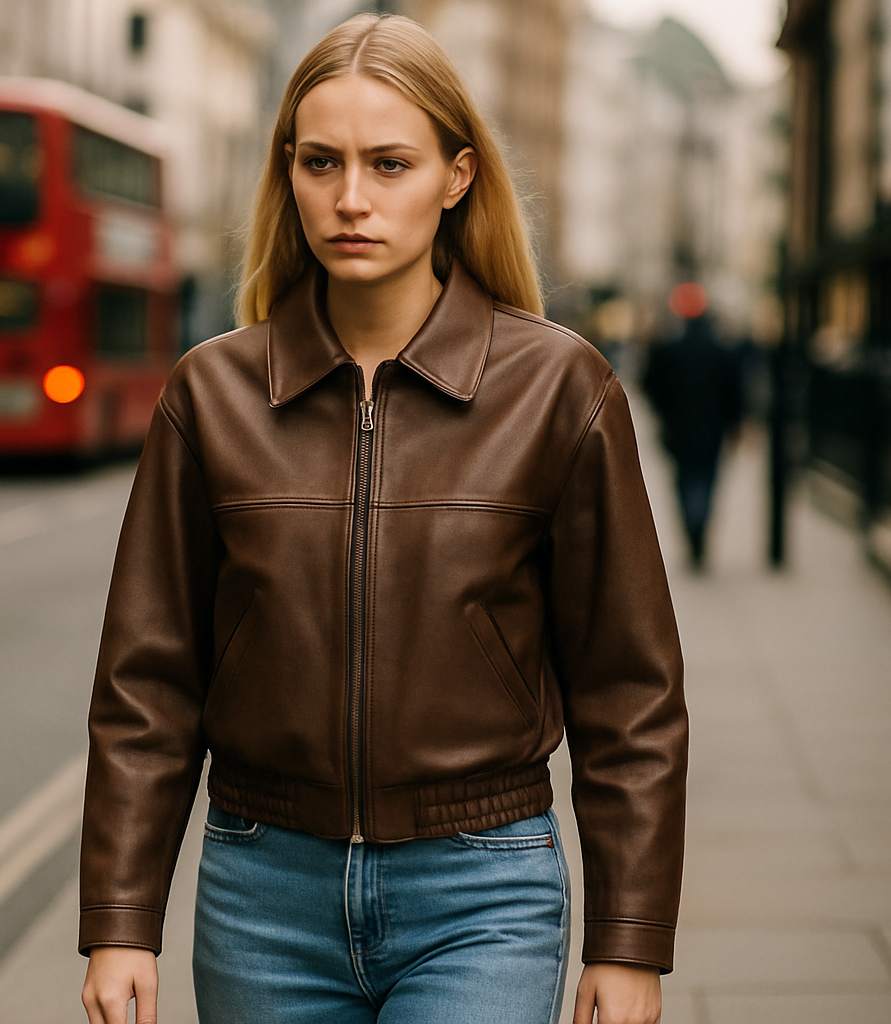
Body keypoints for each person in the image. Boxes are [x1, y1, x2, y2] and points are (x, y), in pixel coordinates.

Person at [79, 14, 687, 1024]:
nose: (350, 198)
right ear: (289, 173)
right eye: (321, 163)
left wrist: (629, 940)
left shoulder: (556, 388)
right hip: (260, 893)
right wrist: (119, 918)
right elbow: (147, 684)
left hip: (482, 890)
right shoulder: (212, 394)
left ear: (456, 177)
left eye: (389, 163)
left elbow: (631, 691)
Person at [643, 285, 743, 569]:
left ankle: (692, 525)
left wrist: (662, 413)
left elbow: (651, 386)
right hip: (712, 429)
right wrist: (735, 423)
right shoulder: (721, 350)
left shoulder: (666, 349)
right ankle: (699, 524)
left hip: (677, 429)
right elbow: (734, 390)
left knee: (684, 479)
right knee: (707, 479)